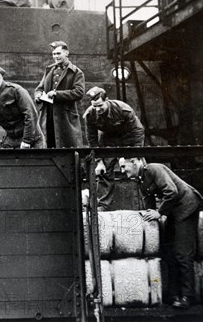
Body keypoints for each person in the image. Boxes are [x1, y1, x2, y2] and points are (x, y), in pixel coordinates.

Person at [120, 157, 202, 309]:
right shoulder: (141, 180)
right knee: (169, 252)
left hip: (187, 206)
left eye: (124, 167)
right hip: (174, 211)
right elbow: (149, 204)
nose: (122, 171)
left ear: (134, 161)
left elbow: (172, 192)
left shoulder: (153, 169)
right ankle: (173, 294)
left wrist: (159, 212)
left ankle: (187, 297)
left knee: (183, 253)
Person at [84, 87, 145, 209]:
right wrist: (99, 161)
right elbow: (92, 139)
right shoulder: (90, 114)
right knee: (103, 171)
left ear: (107, 100)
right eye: (94, 106)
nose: (97, 109)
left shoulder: (124, 110)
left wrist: (136, 154)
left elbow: (138, 131)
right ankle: (103, 205)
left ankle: (144, 203)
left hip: (128, 138)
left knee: (138, 169)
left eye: (100, 105)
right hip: (108, 140)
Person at [35, 40, 84, 148]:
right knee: (48, 143)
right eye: (53, 54)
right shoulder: (49, 70)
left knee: (66, 147)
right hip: (48, 115)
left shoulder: (75, 72)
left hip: (65, 117)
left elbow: (79, 92)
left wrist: (57, 94)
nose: (55, 56)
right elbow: (39, 88)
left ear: (66, 53)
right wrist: (38, 95)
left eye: (58, 53)